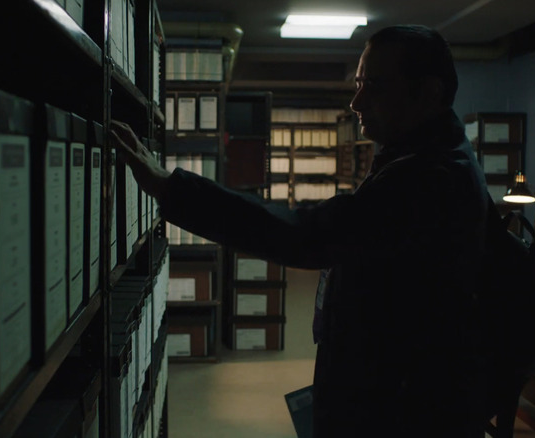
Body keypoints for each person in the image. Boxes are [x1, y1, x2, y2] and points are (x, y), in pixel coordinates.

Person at [112, 25, 492, 437]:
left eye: (374, 86)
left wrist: (172, 189)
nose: (356, 101)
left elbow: (306, 236)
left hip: (400, 410)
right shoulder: (421, 158)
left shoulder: (429, 179)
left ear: (428, 93)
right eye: (358, 83)